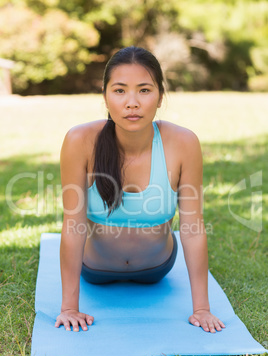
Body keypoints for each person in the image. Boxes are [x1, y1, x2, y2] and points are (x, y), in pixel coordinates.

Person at [55, 46, 225, 334]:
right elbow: (73, 225)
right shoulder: (80, 140)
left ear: (160, 96)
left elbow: (193, 227)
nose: (131, 103)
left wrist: (202, 309)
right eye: (120, 91)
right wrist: (69, 308)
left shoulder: (182, 143)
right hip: (95, 270)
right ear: (105, 95)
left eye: (144, 90)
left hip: (156, 269)